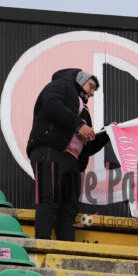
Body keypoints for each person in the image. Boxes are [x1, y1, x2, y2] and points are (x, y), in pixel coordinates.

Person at [26, 68, 110, 241]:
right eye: (91, 86)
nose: (92, 93)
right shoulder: (59, 86)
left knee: (68, 208)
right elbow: (52, 105)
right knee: (48, 198)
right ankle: (42, 245)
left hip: (72, 161)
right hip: (50, 150)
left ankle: (65, 250)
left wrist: (107, 133)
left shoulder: (84, 111)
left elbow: (86, 147)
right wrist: (78, 125)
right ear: (80, 80)